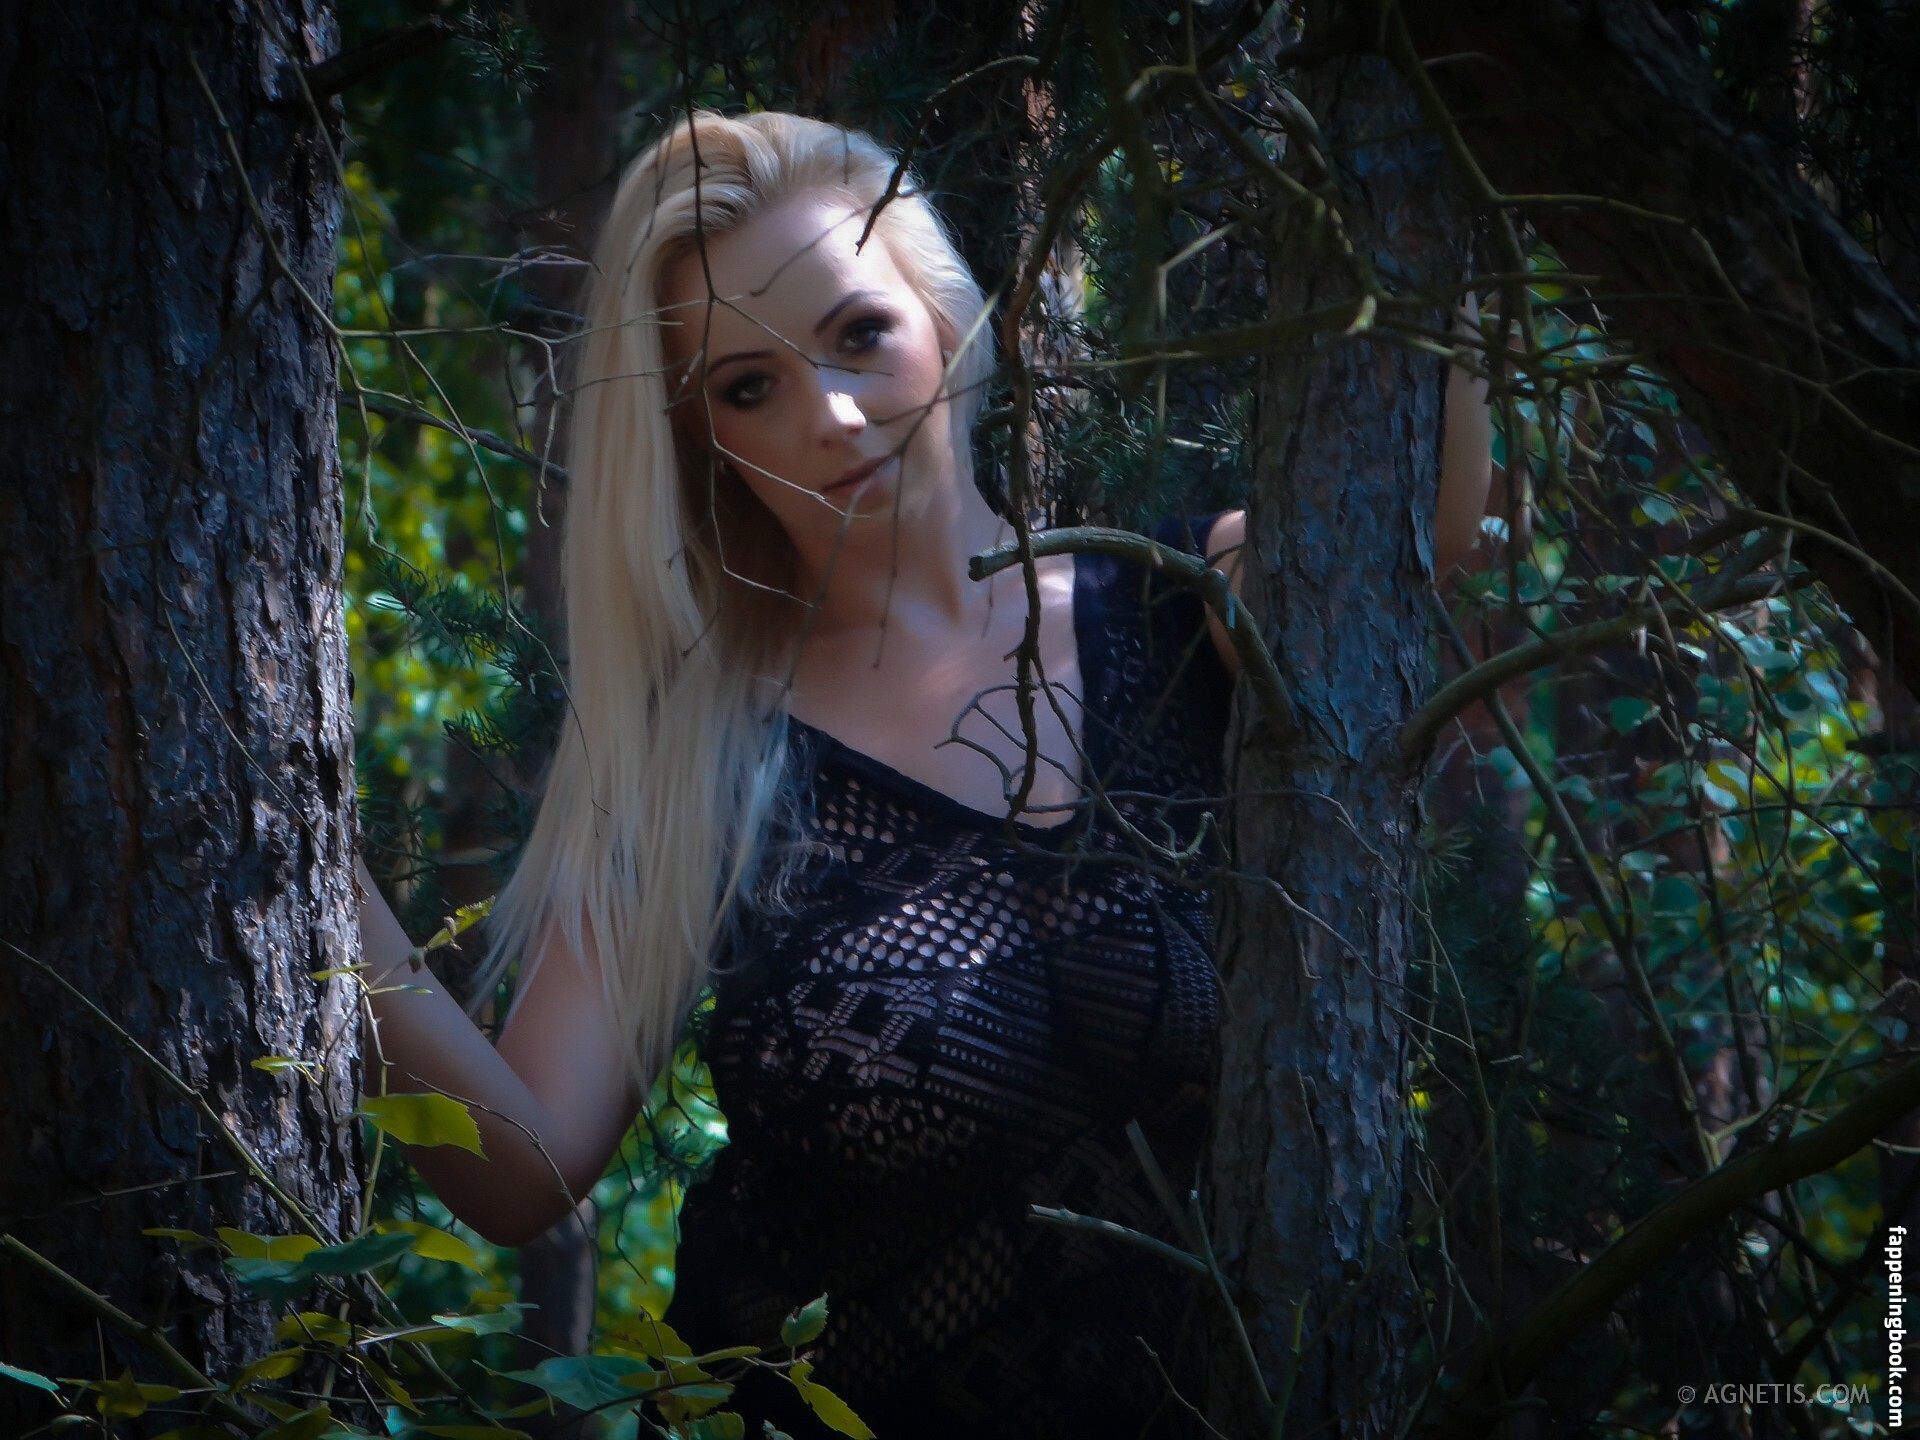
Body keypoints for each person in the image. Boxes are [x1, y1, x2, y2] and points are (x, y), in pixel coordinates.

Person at [354, 110, 1493, 1437]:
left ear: (944, 320)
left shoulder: (1185, 600)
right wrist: (299, 869)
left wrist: (1437, 122)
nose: (831, 416)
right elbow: (522, 1166)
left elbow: (1424, 518)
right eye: (748, 387)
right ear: (703, 439)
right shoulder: (699, 755)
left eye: (859, 334)